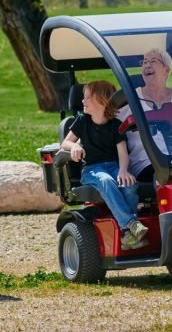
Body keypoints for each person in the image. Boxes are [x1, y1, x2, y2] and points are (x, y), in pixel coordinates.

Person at [62, 80, 149, 250]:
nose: (82, 101)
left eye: (87, 97)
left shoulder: (116, 126)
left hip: (114, 166)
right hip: (92, 170)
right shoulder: (82, 121)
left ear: (102, 100)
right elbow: (65, 142)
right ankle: (130, 224)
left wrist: (124, 170)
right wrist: (75, 146)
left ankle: (127, 236)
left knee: (130, 184)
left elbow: (123, 154)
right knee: (106, 181)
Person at [116, 48, 172, 181]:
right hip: (147, 161)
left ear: (166, 69)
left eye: (153, 61)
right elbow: (109, 125)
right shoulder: (131, 98)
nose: (147, 65)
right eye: (144, 62)